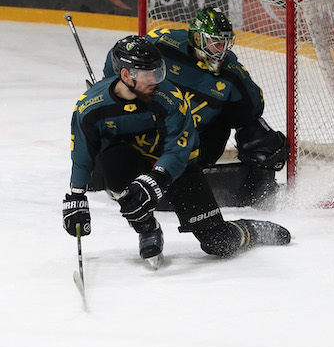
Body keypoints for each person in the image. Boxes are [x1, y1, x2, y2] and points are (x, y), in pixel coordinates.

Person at [63, 35, 290, 268]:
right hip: (134, 162)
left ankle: (248, 230)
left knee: (219, 242)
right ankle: (148, 228)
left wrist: (158, 177)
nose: (155, 80)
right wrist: (76, 196)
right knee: (115, 165)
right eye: (146, 75)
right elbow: (82, 154)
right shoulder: (90, 107)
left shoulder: (169, 98)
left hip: (178, 168)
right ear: (125, 75)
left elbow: (179, 150)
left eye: (157, 72)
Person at [101, 7, 289, 209]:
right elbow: (123, 55)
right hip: (147, 136)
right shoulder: (164, 42)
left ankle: (255, 187)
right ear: (198, 39)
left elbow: (251, 111)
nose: (221, 49)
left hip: (196, 147)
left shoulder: (232, 72)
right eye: (215, 43)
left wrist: (260, 145)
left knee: (261, 137)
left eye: (224, 43)